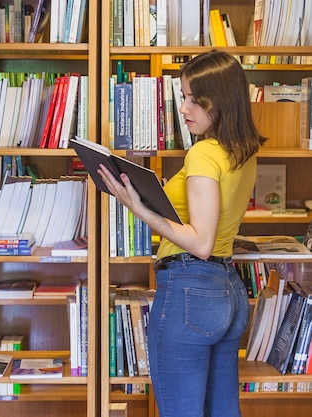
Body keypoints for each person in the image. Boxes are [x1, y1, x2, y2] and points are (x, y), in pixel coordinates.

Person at [98, 50, 267, 417]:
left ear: (219, 99)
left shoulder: (203, 154)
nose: (185, 108)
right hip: (228, 291)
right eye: (183, 97)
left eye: (194, 98)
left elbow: (200, 242)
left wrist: (137, 207)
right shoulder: (242, 151)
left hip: (191, 289)